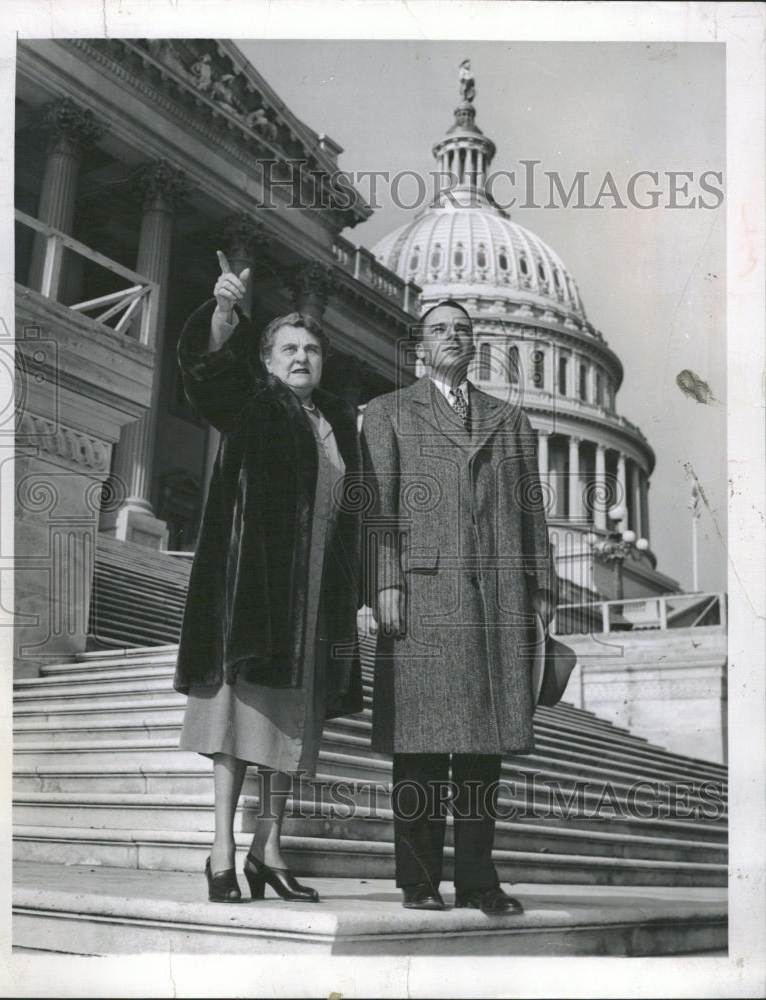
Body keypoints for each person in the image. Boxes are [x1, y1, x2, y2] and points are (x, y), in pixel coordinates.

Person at [174, 253, 363, 904]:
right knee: (235, 725)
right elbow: (209, 379)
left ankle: (268, 847)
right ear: (266, 357)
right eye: (289, 347)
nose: (303, 357)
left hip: (312, 600)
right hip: (250, 593)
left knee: (293, 727)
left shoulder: (335, 425)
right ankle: (221, 849)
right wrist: (225, 311)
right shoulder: (254, 401)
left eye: (312, 347)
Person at [361, 300, 555, 915]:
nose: (453, 336)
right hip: (424, 594)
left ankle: (479, 881)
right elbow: (378, 508)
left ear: (475, 345)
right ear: (421, 344)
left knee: (482, 750)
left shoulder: (510, 420)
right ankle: (418, 880)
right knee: (419, 746)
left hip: (497, 598)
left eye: (463, 329)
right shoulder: (390, 412)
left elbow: (532, 512)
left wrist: (542, 589)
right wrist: (385, 581)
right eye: (441, 328)